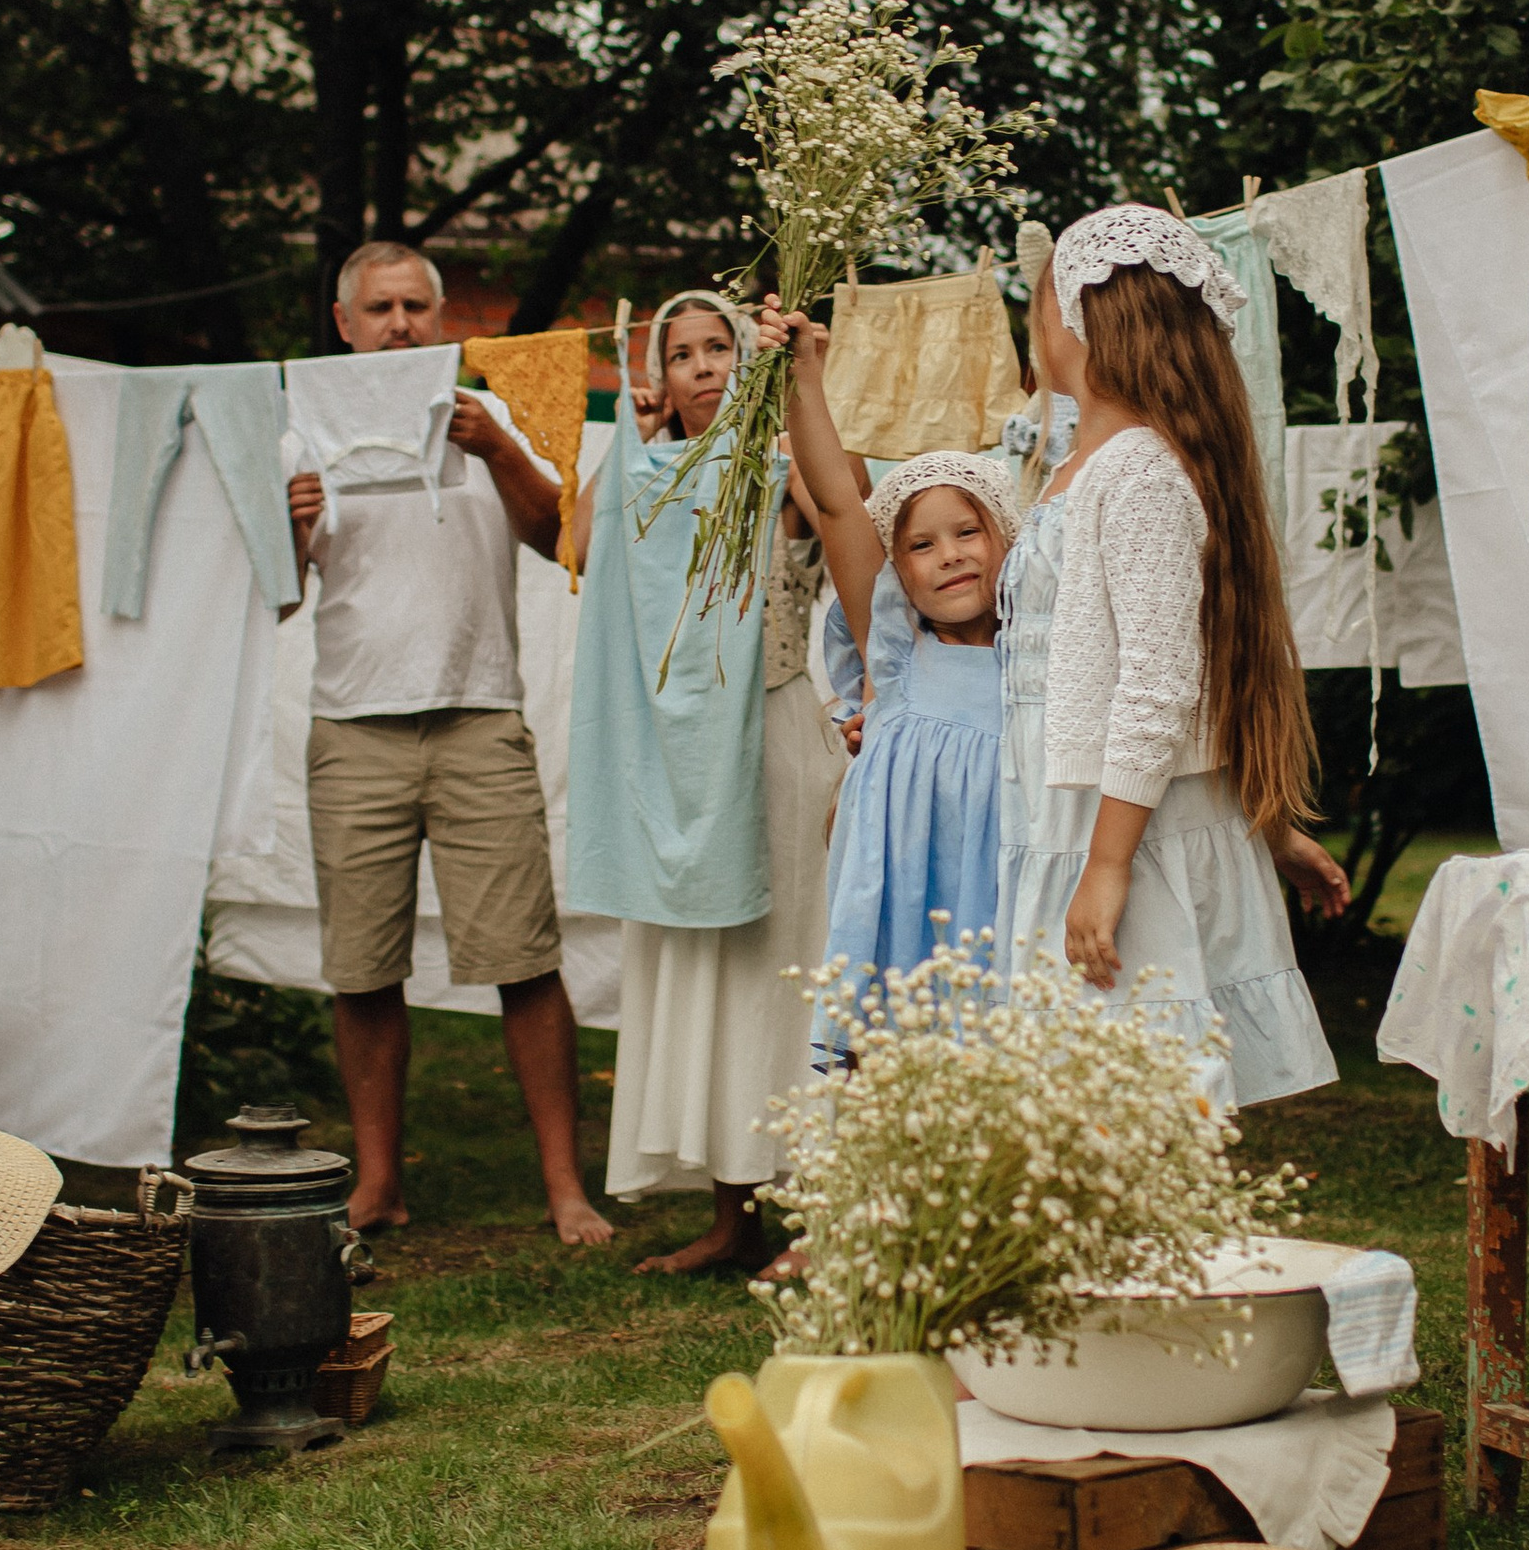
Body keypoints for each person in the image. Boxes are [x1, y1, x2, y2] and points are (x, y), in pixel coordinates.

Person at [286, 240, 612, 1247]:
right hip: (353, 725)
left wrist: (499, 449)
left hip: (478, 716)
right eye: (379, 307)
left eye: (417, 307)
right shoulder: (302, 426)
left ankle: (563, 1188)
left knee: (523, 957)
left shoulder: (489, 414)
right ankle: (377, 1183)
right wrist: (287, 526)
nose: (400, 325)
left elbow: (558, 534)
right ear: (344, 323)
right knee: (362, 968)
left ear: (443, 319)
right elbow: (279, 588)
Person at [997, 206, 1349, 1101]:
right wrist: (1264, 827)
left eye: (1038, 309)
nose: (1031, 330)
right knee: (1082, 1102)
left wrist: (1107, 865)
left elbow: (1159, 684)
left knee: (1139, 1101)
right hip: (1071, 812)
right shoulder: (1082, 466)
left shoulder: (1141, 472)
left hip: (1118, 830)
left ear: (1080, 322)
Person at [566, 291, 852, 1274]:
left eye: (718, 346)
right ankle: (734, 1217)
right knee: (711, 983)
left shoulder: (777, 468)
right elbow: (579, 544)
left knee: (788, 969)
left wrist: (790, 405)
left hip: (775, 740)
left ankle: (821, 1218)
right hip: (676, 766)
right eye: (679, 352)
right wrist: (628, 438)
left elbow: (844, 509)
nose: (701, 365)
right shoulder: (647, 476)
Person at [756, 296, 1014, 1040]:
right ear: (897, 567)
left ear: (1005, 539)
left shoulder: (1040, 657)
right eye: (923, 546)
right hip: (902, 910)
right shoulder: (893, 652)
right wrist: (805, 372)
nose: (951, 555)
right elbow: (838, 504)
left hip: (1003, 906)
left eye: (967, 532)